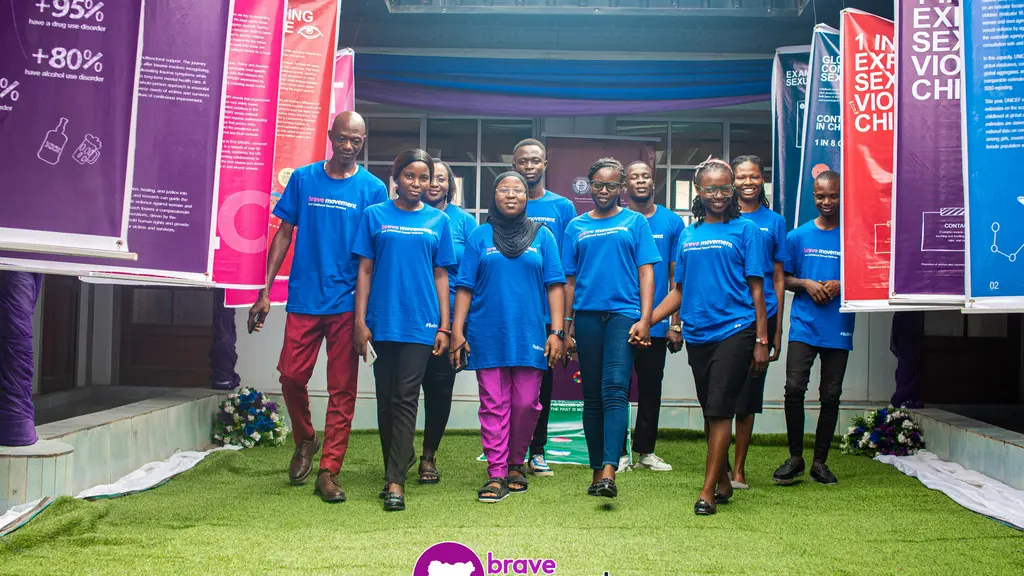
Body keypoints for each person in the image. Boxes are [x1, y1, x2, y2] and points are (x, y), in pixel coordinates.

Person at [247, 112, 386, 503]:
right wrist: (265, 291)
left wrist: (366, 316)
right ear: (330, 136)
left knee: (343, 388)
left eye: (355, 140)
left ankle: (329, 470)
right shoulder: (304, 179)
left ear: (363, 141)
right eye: (342, 138)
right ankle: (305, 436)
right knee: (291, 375)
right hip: (305, 298)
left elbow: (372, 257)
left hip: (346, 304)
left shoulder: (372, 189)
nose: (348, 146)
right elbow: (284, 233)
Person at [651, 157, 769, 516]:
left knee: (720, 409)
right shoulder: (689, 234)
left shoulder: (746, 230)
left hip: (736, 328)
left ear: (732, 190)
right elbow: (678, 291)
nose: (718, 195)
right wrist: (649, 320)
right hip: (698, 334)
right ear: (698, 192)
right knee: (709, 408)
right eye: (710, 188)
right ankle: (721, 478)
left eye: (724, 188)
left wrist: (762, 340)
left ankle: (707, 491)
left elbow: (758, 289)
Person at [451, 171, 566, 503]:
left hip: (530, 333)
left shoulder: (543, 236)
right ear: (494, 196)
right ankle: (497, 471)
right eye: (504, 189)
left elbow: (555, 286)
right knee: (493, 404)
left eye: (518, 190)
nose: (512, 195)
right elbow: (464, 287)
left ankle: (518, 461)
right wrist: (458, 330)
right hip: (487, 333)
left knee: (527, 403)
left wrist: (557, 332)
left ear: (527, 197)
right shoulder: (479, 236)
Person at [353, 149, 456, 512]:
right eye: (410, 176)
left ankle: (395, 481)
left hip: (422, 321)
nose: (417, 183)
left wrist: (444, 325)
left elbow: (442, 274)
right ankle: (397, 462)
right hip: (382, 320)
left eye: (424, 177)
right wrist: (360, 321)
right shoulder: (374, 215)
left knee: (406, 397)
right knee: (386, 399)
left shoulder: (438, 221)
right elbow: (364, 270)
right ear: (396, 178)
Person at [562, 157, 661, 498]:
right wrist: (567, 326)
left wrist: (645, 320)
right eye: (598, 185)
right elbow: (570, 282)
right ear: (589, 187)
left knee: (616, 389)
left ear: (622, 188)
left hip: (623, 315)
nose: (604, 191)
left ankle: (609, 470)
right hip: (587, 317)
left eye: (611, 186)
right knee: (591, 396)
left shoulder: (635, 222)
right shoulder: (575, 226)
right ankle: (594, 471)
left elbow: (647, 273)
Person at [773, 170, 854, 487]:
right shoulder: (797, 236)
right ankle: (795, 457)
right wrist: (806, 283)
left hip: (839, 325)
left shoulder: (852, 236)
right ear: (813, 197)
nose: (827, 201)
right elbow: (784, 278)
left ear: (841, 195)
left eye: (833, 195)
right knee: (794, 389)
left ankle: (820, 462)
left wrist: (842, 284)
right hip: (804, 326)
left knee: (831, 395)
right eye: (821, 196)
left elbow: (867, 275)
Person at [514, 138, 578, 477]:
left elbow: (567, 272)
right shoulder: (508, 201)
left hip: (547, 316)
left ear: (545, 164)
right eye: (522, 160)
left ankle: (537, 450)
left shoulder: (562, 207)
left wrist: (565, 327)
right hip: (512, 313)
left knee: (544, 387)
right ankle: (508, 449)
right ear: (514, 164)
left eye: (535, 160)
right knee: (511, 384)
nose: (528, 166)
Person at [618, 161, 684, 473]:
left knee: (650, 388)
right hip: (618, 319)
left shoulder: (672, 222)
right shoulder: (617, 220)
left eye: (645, 175)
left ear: (653, 182)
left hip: (655, 323)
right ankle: (616, 454)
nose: (641, 181)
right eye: (634, 177)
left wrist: (675, 324)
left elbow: (676, 279)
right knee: (616, 388)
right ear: (624, 185)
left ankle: (645, 451)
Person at [416, 159, 478, 485]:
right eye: (430, 177)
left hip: (450, 319)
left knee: (440, 389)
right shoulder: (407, 216)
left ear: (450, 183)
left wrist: (459, 327)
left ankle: (428, 456)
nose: (435, 184)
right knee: (404, 390)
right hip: (409, 316)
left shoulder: (464, 222)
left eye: (442, 178)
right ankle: (400, 451)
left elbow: (471, 275)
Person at [730, 154, 787, 489]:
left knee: (749, 397)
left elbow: (778, 277)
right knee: (721, 393)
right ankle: (719, 465)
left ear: (762, 179)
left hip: (762, 315)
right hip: (729, 313)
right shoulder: (723, 219)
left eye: (753, 176)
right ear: (732, 181)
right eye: (741, 177)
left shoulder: (774, 222)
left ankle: (739, 468)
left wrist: (777, 327)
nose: (747, 182)